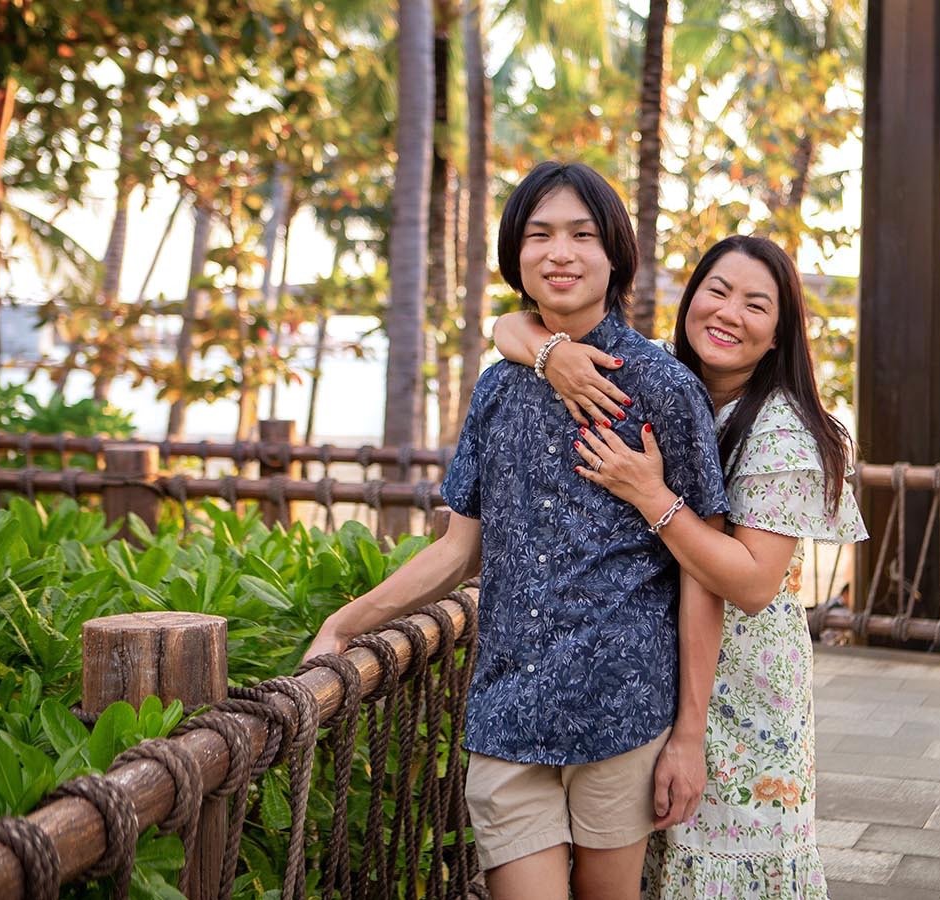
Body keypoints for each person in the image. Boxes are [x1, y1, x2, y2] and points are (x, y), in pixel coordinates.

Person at [305, 161, 731, 900]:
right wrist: (345, 624)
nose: (559, 253)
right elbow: (456, 549)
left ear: (615, 256)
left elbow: (704, 571)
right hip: (507, 711)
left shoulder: (663, 386)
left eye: (581, 235)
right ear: (516, 256)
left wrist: (688, 737)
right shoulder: (497, 385)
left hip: (622, 710)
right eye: (539, 235)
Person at [493, 234, 868, 898]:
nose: (728, 314)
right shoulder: (660, 378)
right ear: (689, 299)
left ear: (779, 334)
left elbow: (752, 582)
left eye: (756, 305)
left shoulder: (784, 432)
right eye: (716, 292)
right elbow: (514, 324)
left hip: (737, 697)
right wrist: (549, 353)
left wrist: (651, 494)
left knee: (721, 873)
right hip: (651, 683)